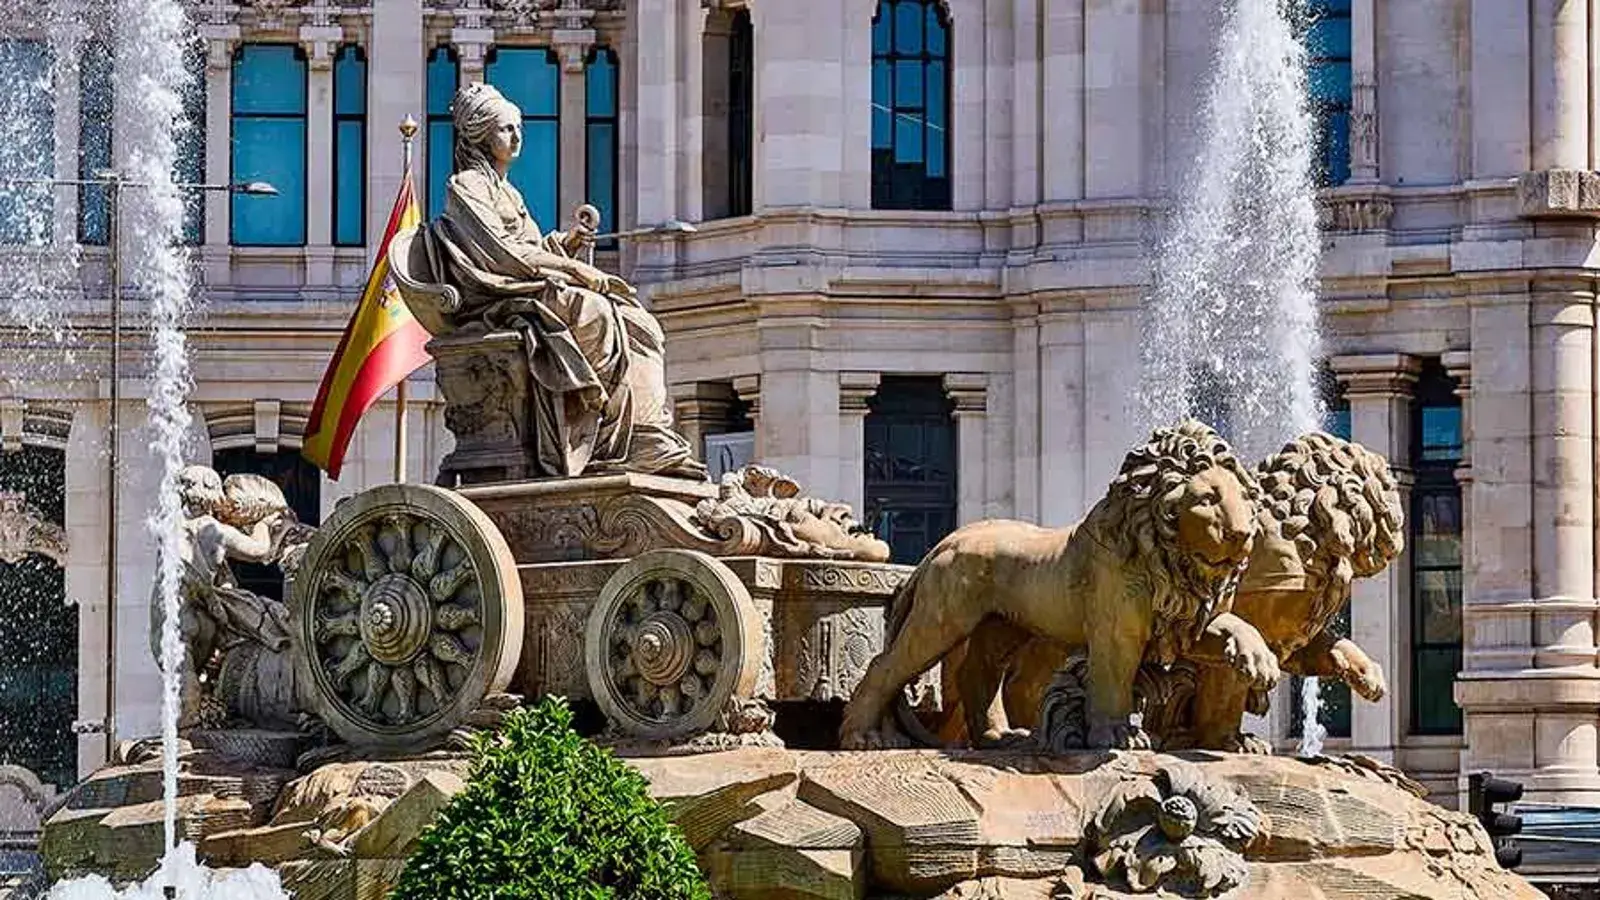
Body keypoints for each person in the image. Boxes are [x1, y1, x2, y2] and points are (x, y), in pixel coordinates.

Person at [404, 80, 705, 480]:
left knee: (639, 321)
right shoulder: (467, 186)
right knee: (596, 313)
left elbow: (531, 247)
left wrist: (568, 244)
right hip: (498, 298)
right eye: (505, 129)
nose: (516, 138)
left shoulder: (507, 192)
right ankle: (600, 436)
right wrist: (576, 270)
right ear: (479, 134)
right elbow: (503, 254)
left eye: (518, 128)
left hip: (531, 287)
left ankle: (643, 434)